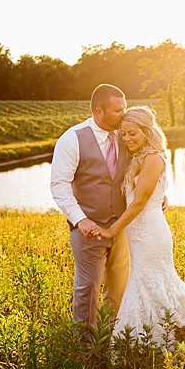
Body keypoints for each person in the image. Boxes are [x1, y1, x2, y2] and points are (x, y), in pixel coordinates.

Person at [92, 105, 185, 347]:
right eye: (124, 135)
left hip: (151, 233)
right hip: (139, 233)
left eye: (133, 133)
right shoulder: (138, 157)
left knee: (150, 281)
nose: (127, 139)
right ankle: (150, 341)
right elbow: (146, 193)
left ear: (147, 131)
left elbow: (139, 201)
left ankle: (163, 340)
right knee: (144, 282)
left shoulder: (152, 158)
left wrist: (111, 230)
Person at [50, 84, 131, 331]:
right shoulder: (72, 138)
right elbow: (59, 184)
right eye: (118, 110)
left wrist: (159, 195)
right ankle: (86, 352)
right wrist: (80, 220)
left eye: (125, 108)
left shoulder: (125, 134)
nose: (124, 114)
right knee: (88, 290)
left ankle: (111, 341)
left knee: (119, 288)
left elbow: (143, 167)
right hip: (89, 229)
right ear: (99, 111)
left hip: (122, 227)